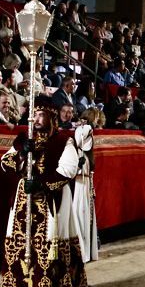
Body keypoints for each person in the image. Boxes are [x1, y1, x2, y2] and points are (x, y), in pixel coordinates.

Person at [0, 98, 89, 287]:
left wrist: (41, 184)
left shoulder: (63, 140)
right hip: (24, 202)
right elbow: (5, 161)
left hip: (50, 201)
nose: (36, 119)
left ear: (50, 117)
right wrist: (22, 154)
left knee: (49, 247)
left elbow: (68, 170)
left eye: (41, 115)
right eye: (34, 114)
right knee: (23, 245)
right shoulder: (24, 139)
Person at [64, 107, 101, 263]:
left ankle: (86, 249)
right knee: (81, 208)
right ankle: (82, 249)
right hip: (81, 172)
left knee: (84, 207)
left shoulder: (83, 128)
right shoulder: (85, 128)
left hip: (84, 172)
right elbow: (81, 143)